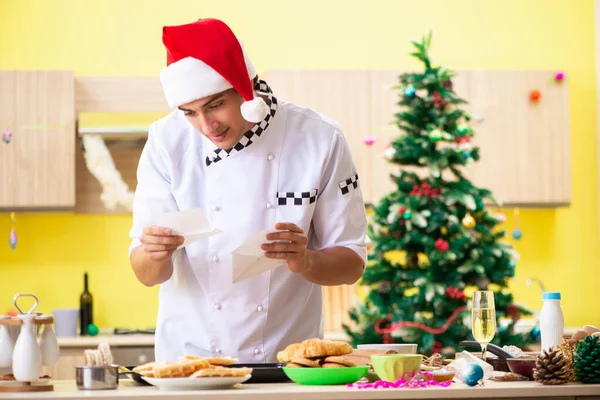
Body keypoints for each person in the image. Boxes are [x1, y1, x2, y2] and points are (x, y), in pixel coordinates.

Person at [128, 17, 369, 363]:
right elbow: (146, 272)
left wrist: (306, 260)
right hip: (188, 364)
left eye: (214, 105)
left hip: (286, 364)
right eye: (190, 113)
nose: (206, 126)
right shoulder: (167, 141)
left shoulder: (319, 138)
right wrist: (156, 253)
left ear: (246, 88)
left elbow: (351, 264)